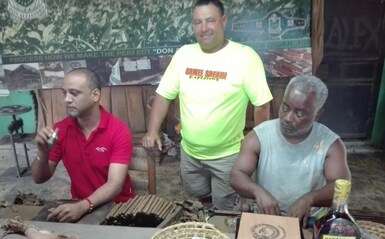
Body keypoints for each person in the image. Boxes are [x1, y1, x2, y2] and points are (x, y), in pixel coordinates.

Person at [142, 0, 272, 210]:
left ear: (223, 21)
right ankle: (208, 216)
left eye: (210, 21)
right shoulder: (184, 54)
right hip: (190, 153)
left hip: (228, 156)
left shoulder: (245, 57)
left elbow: (262, 106)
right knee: (200, 197)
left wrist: (258, 149)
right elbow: (164, 95)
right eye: (198, 22)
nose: (203, 28)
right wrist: (152, 131)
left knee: (227, 207)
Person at [230, 75, 351, 227]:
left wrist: (309, 199)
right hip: (266, 215)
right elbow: (236, 175)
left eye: (299, 113)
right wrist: (257, 191)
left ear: (317, 115)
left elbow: (341, 188)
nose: (287, 118)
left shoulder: (331, 144)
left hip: (309, 219)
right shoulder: (259, 136)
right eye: (285, 107)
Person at [31, 68, 135, 222]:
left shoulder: (118, 131)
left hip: (118, 207)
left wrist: (84, 206)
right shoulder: (62, 130)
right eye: (64, 93)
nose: (66, 99)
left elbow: (114, 184)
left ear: (95, 95)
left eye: (74, 93)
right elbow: (39, 178)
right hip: (79, 205)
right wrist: (42, 152)